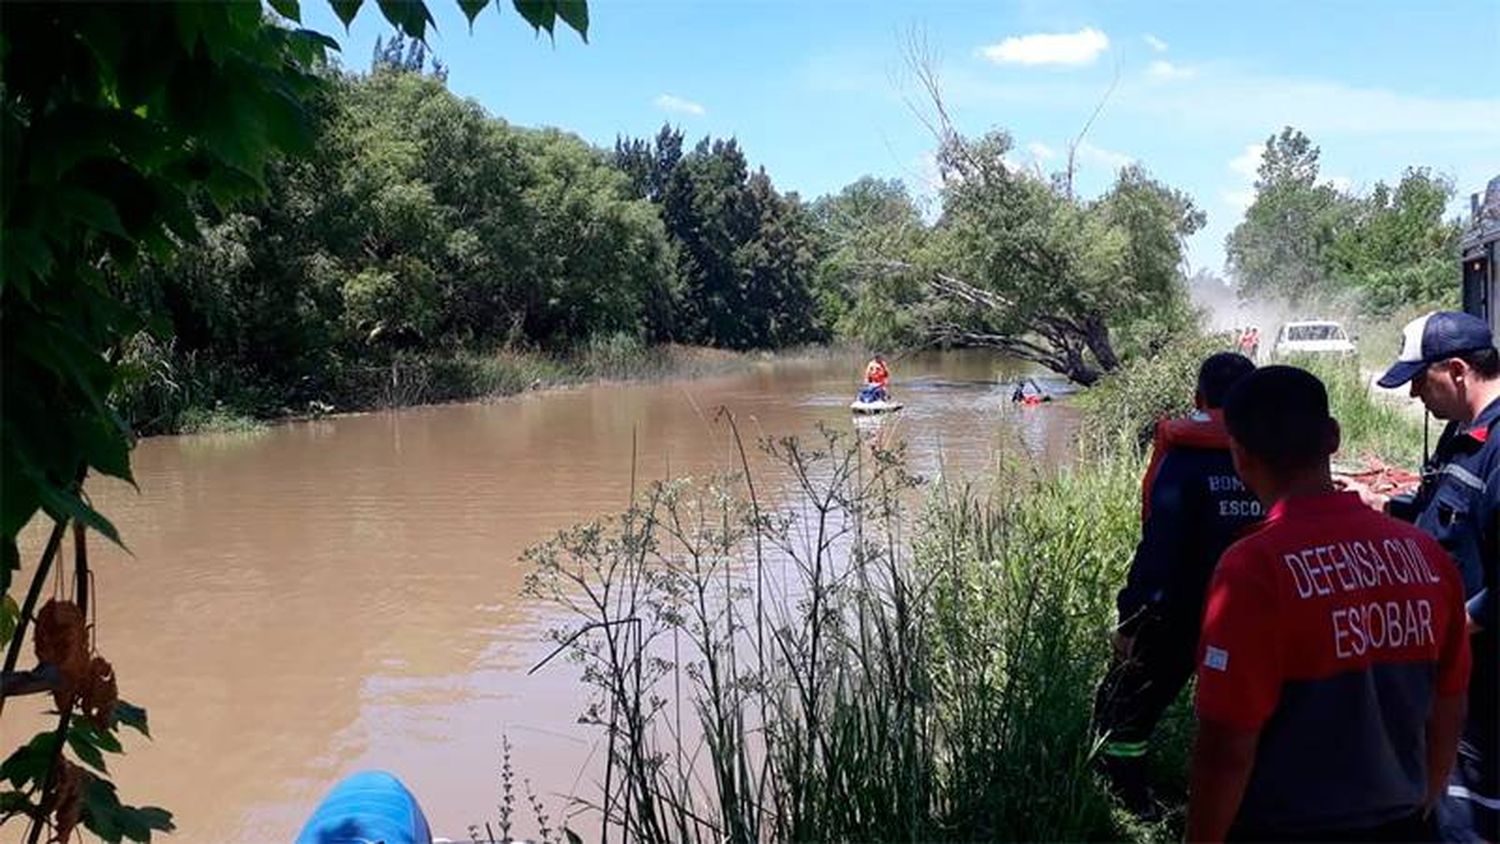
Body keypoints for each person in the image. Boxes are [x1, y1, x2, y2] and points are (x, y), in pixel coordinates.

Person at [1188, 366, 1471, 842]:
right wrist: (1427, 798)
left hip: (1287, 827)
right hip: (1406, 824)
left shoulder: (1253, 569)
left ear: (1238, 454)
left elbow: (1227, 745)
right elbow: (1450, 702)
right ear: (1334, 438)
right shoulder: (1425, 554)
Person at [1093, 352, 1260, 817]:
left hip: (1181, 613)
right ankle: (1247, 803)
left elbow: (1160, 551)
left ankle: (1129, 803)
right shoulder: (1279, 451)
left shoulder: (1183, 459)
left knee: (1122, 709)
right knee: (1253, 714)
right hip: (1255, 616)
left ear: (1198, 399)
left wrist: (1132, 617)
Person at [1370, 310, 1499, 843]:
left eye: (1422, 381)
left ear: (1458, 370)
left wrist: (1448, 631)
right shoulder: (1461, 437)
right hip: (1455, 684)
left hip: (1486, 694)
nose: (1415, 395)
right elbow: (1442, 513)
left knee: (1467, 823)